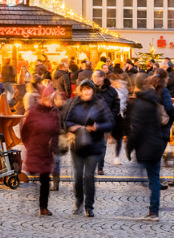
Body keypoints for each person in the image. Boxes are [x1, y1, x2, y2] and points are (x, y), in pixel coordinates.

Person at [63, 79, 114, 217]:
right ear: (80, 90)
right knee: (77, 176)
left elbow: (110, 123)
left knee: (89, 177)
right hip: (77, 145)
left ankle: (89, 206)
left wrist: (98, 127)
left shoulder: (100, 104)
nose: (86, 91)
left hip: (94, 145)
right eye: (84, 89)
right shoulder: (74, 103)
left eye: (89, 88)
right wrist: (71, 126)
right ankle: (79, 201)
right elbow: (65, 121)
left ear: (93, 90)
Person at [127, 75, 169, 222]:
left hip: (144, 146)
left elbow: (137, 129)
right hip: (156, 143)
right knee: (154, 179)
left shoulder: (139, 103)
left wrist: (129, 146)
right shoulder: (155, 99)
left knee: (140, 176)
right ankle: (154, 210)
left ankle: (133, 209)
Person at [21, 86, 60, 216]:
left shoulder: (54, 113)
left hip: (46, 150)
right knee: (37, 174)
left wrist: (54, 146)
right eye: (50, 98)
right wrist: (29, 145)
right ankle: (39, 205)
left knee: (45, 178)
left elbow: (57, 132)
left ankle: (43, 207)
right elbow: (25, 130)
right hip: (35, 147)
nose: (51, 101)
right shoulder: (34, 112)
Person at [92, 70, 119, 176]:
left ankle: (100, 166)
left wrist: (111, 115)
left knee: (102, 144)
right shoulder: (90, 89)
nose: (94, 78)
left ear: (102, 77)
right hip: (92, 120)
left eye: (96, 76)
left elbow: (116, 104)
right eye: (93, 76)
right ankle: (91, 165)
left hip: (104, 121)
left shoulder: (111, 91)